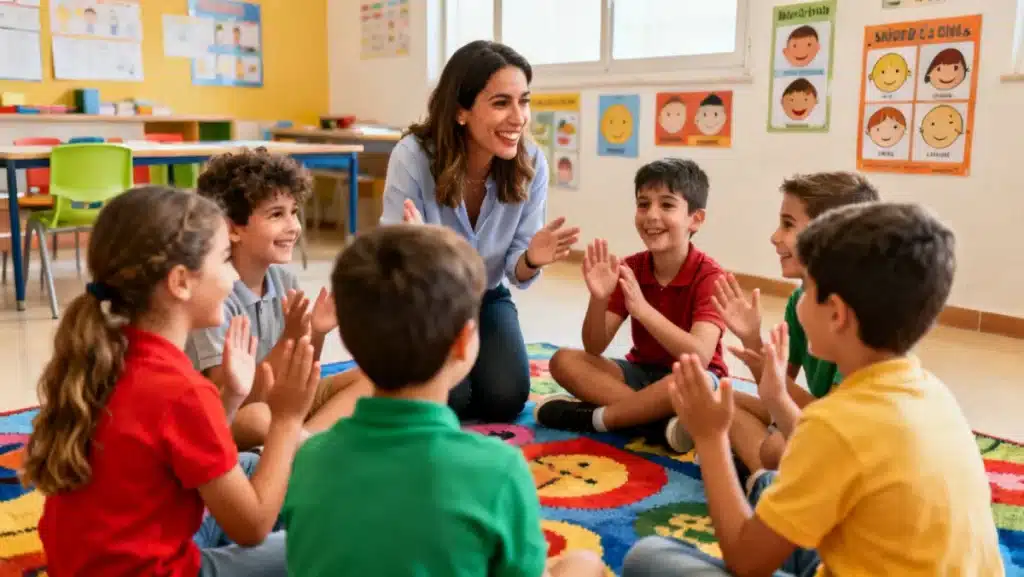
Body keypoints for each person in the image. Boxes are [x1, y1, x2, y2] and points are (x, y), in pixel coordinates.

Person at [622, 202, 1004, 577]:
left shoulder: (835, 423)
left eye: (806, 288)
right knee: (773, 486)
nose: (797, 300)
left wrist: (710, 437)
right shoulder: (933, 392)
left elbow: (745, 561)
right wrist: (775, 397)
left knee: (649, 558)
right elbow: (842, 453)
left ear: (836, 314)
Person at [22, 186, 321, 577]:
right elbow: (251, 527)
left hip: (89, 562)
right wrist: (286, 419)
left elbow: (178, 447)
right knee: (325, 540)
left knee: (248, 462)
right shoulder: (179, 388)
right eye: (224, 259)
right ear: (180, 281)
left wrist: (230, 394)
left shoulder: (109, 352)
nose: (232, 276)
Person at [282, 223, 604, 577]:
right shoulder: (498, 471)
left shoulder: (309, 459)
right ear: (464, 342)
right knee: (583, 565)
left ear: (350, 341)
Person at [380, 40, 580, 422]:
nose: (519, 117)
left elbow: (515, 274)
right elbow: (390, 260)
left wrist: (532, 259)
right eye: (501, 103)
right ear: (461, 111)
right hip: (428, 302)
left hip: (486, 294)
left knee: (505, 399)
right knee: (448, 401)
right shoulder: (413, 155)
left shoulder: (532, 163)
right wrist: (418, 250)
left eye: (524, 100)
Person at [536, 158, 727, 453]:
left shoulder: (711, 277)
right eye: (643, 204)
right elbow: (594, 346)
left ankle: (600, 418)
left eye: (666, 205)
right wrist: (599, 298)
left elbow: (700, 356)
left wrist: (642, 311)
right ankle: (655, 424)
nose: (651, 215)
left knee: (698, 379)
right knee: (563, 361)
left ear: (696, 219)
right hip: (641, 376)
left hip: (690, 382)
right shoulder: (631, 268)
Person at [186, 148, 371, 450]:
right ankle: (304, 449)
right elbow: (233, 398)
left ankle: (302, 447)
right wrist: (290, 337)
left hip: (277, 406)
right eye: (276, 214)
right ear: (232, 229)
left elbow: (297, 375)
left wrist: (318, 332)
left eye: (294, 211)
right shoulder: (215, 295)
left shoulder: (283, 280)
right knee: (258, 417)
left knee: (368, 379)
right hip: (229, 415)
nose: (293, 226)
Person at [716, 172, 879, 472]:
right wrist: (751, 339)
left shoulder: (862, 316)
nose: (775, 237)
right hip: (820, 422)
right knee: (719, 400)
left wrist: (778, 407)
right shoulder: (800, 301)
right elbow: (776, 393)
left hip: (855, 444)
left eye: (788, 225)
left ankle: (762, 481)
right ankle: (763, 471)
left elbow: (830, 423)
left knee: (776, 446)